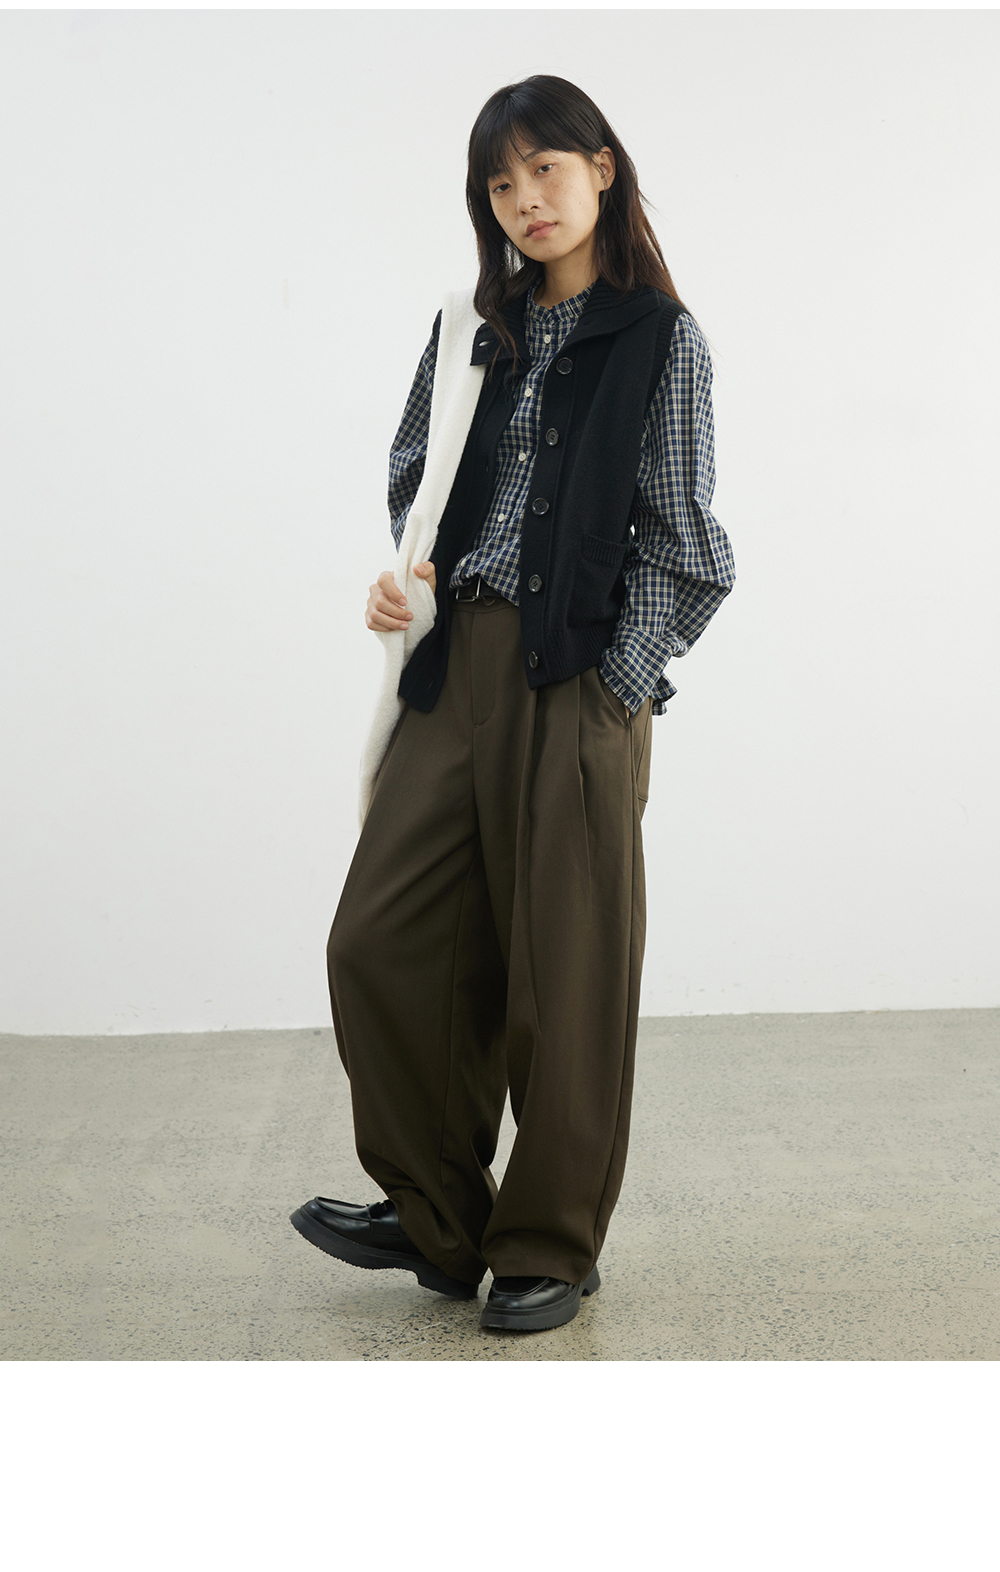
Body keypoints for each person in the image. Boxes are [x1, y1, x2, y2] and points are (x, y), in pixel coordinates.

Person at [291, 74, 735, 1333]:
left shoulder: (659, 339)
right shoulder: (465, 330)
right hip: (455, 672)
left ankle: (548, 1243)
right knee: (382, 939)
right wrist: (411, 585)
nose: (525, 199)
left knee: (564, 972)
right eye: (500, 182)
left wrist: (618, 683)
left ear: (601, 168)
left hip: (577, 679)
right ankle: (437, 1214)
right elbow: (417, 486)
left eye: (545, 168)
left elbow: (689, 547)